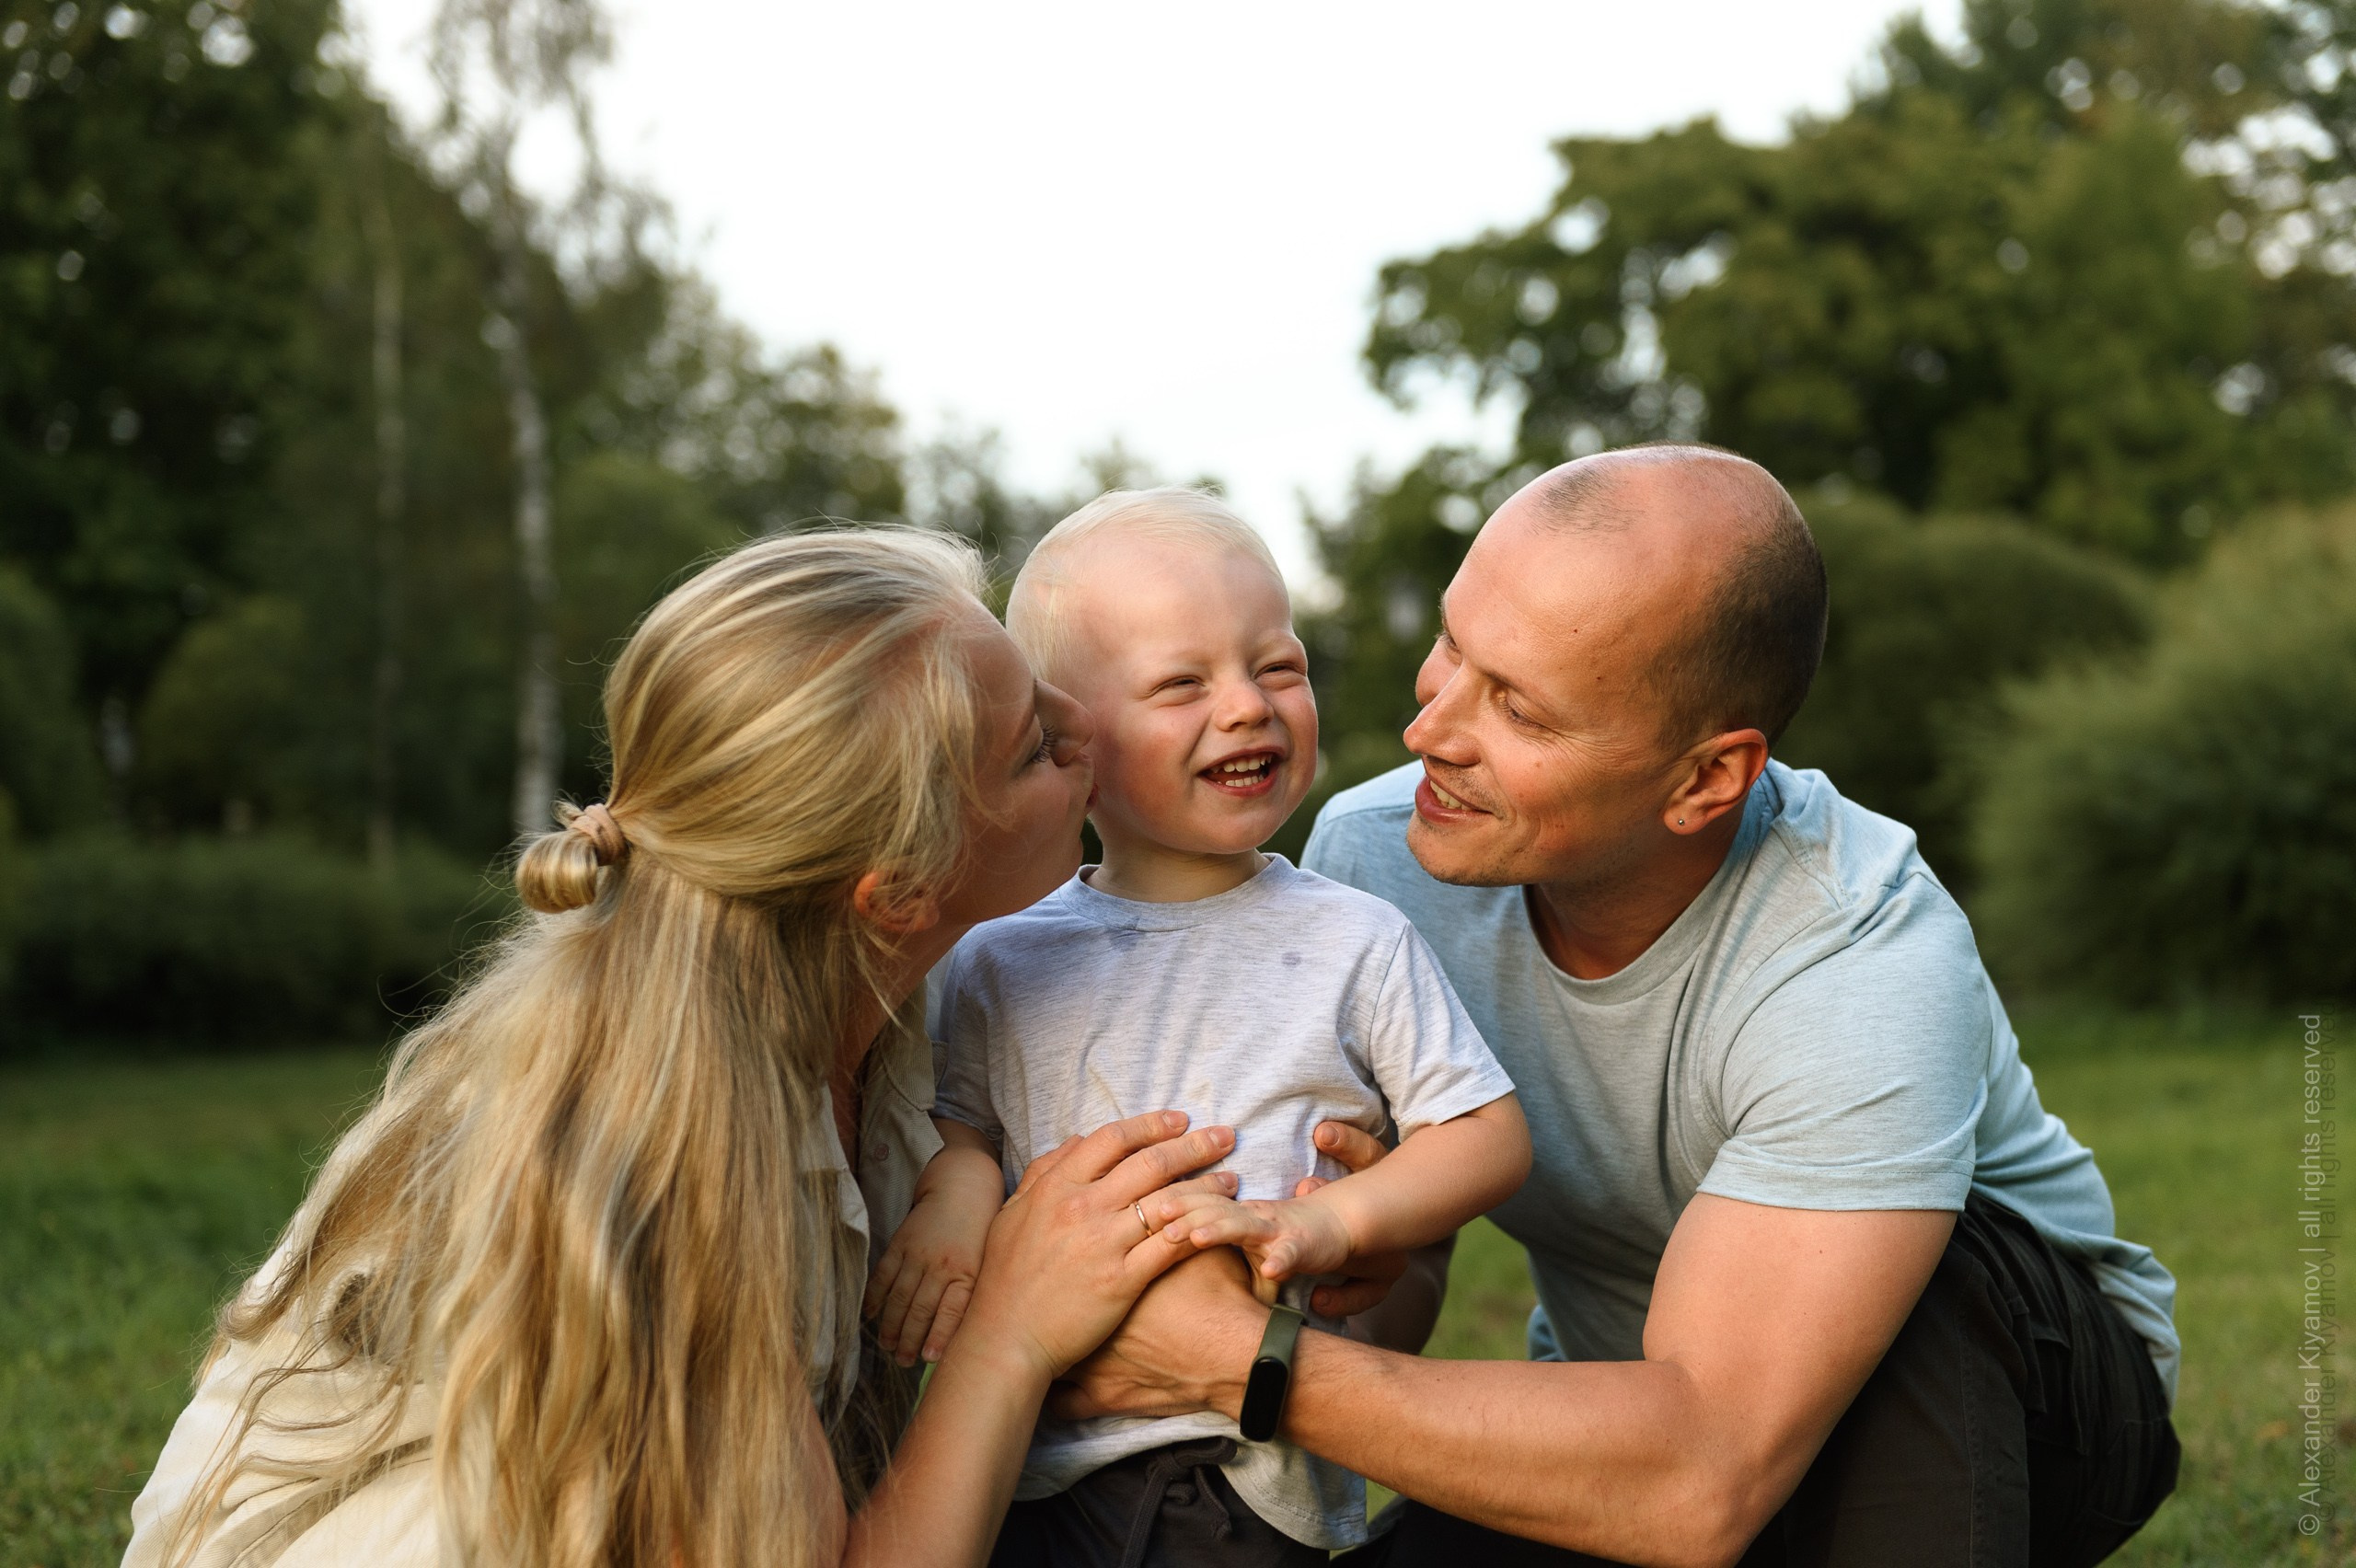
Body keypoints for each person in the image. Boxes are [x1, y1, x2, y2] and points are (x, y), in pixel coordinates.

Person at [1055, 447, 2182, 1568]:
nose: (1429, 731)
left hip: (2026, 1404)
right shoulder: (1381, 857)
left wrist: (1246, 1363)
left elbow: (1704, 1478)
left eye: (1519, 710)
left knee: (1918, 1294)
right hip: (1638, 1402)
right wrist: (1334, 1260)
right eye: (1451, 645)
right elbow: (1411, 1264)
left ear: (1703, 781)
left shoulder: (1854, 952)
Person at [121, 528, 1244, 1568]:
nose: (1084, 726)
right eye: (1033, 748)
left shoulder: (879, 995)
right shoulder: (669, 1164)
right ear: (897, 892)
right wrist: (1009, 1337)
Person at [872, 489, 1530, 1566]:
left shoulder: (1353, 938)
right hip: (1027, 1466)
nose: (1247, 708)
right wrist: (953, 1200)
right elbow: (963, 1129)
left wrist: (1333, 1223)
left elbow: (1486, 1138)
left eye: (1278, 666)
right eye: (1182, 683)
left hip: (1241, 1476)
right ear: (1069, 740)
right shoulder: (999, 952)